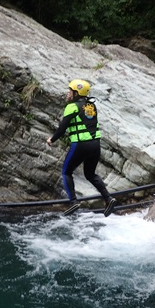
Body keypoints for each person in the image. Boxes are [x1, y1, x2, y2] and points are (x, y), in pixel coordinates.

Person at [47, 79, 116, 217]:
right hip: (95, 145)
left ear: (77, 93)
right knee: (90, 174)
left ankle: (73, 202)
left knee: (66, 172)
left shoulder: (71, 107)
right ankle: (108, 199)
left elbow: (62, 128)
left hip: (81, 145)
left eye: (70, 91)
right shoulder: (91, 106)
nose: (68, 94)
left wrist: (52, 139)